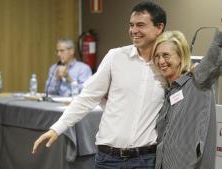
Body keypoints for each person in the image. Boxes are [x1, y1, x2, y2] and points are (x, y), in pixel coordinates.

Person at [32, 1, 166, 168]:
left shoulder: (167, 65)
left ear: (159, 28)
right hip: (108, 159)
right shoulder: (115, 57)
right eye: (131, 25)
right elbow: (88, 97)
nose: (134, 31)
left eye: (140, 25)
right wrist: (57, 128)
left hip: (145, 160)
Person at [152, 0, 222, 169]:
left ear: (181, 56)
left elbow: (213, 57)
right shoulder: (168, 91)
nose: (160, 61)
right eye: (157, 56)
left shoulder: (197, 81)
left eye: (166, 55)